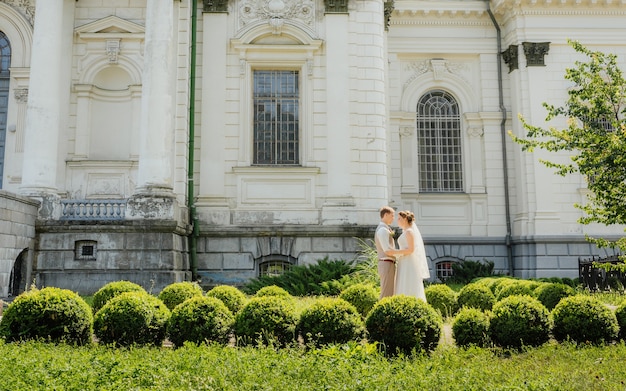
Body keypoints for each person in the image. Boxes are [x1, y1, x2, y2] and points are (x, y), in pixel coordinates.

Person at [386, 210, 429, 302]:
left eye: (399, 218)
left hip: (409, 261)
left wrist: (395, 252)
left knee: (408, 282)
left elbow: (411, 249)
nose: (397, 220)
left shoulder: (409, 232)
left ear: (405, 219)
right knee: (403, 282)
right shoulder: (406, 232)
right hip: (404, 260)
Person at [374, 206, 396, 299]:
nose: (393, 218)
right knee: (386, 293)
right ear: (386, 215)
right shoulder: (382, 230)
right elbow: (387, 250)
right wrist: (402, 254)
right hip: (386, 263)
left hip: (388, 263)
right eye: (392, 215)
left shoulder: (385, 229)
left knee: (390, 291)